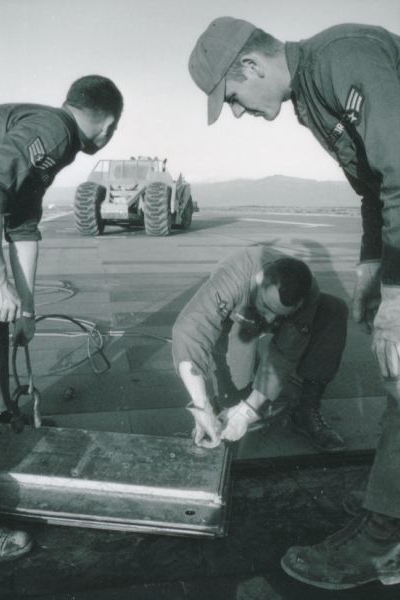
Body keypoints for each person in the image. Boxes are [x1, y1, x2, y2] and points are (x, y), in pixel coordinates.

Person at [188, 16, 400, 589]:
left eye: (231, 96)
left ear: (251, 66)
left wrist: (398, 299)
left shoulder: (341, 59)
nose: (236, 110)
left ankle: (384, 541)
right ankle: (391, 501)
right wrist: (370, 267)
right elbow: (376, 189)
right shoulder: (311, 92)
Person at [0, 74, 123, 561]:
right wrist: (0, 282)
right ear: (109, 125)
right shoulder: (53, 129)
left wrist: (23, 309)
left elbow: (23, 224)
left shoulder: (53, 140)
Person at [173, 246, 347, 452]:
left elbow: (283, 355)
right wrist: (201, 405)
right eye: (268, 307)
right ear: (258, 280)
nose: (272, 319)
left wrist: (248, 412)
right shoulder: (234, 277)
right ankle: (230, 393)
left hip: (276, 317)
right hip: (240, 320)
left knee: (333, 310)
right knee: (232, 398)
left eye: (280, 314)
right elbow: (191, 330)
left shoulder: (308, 293)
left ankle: (306, 409)